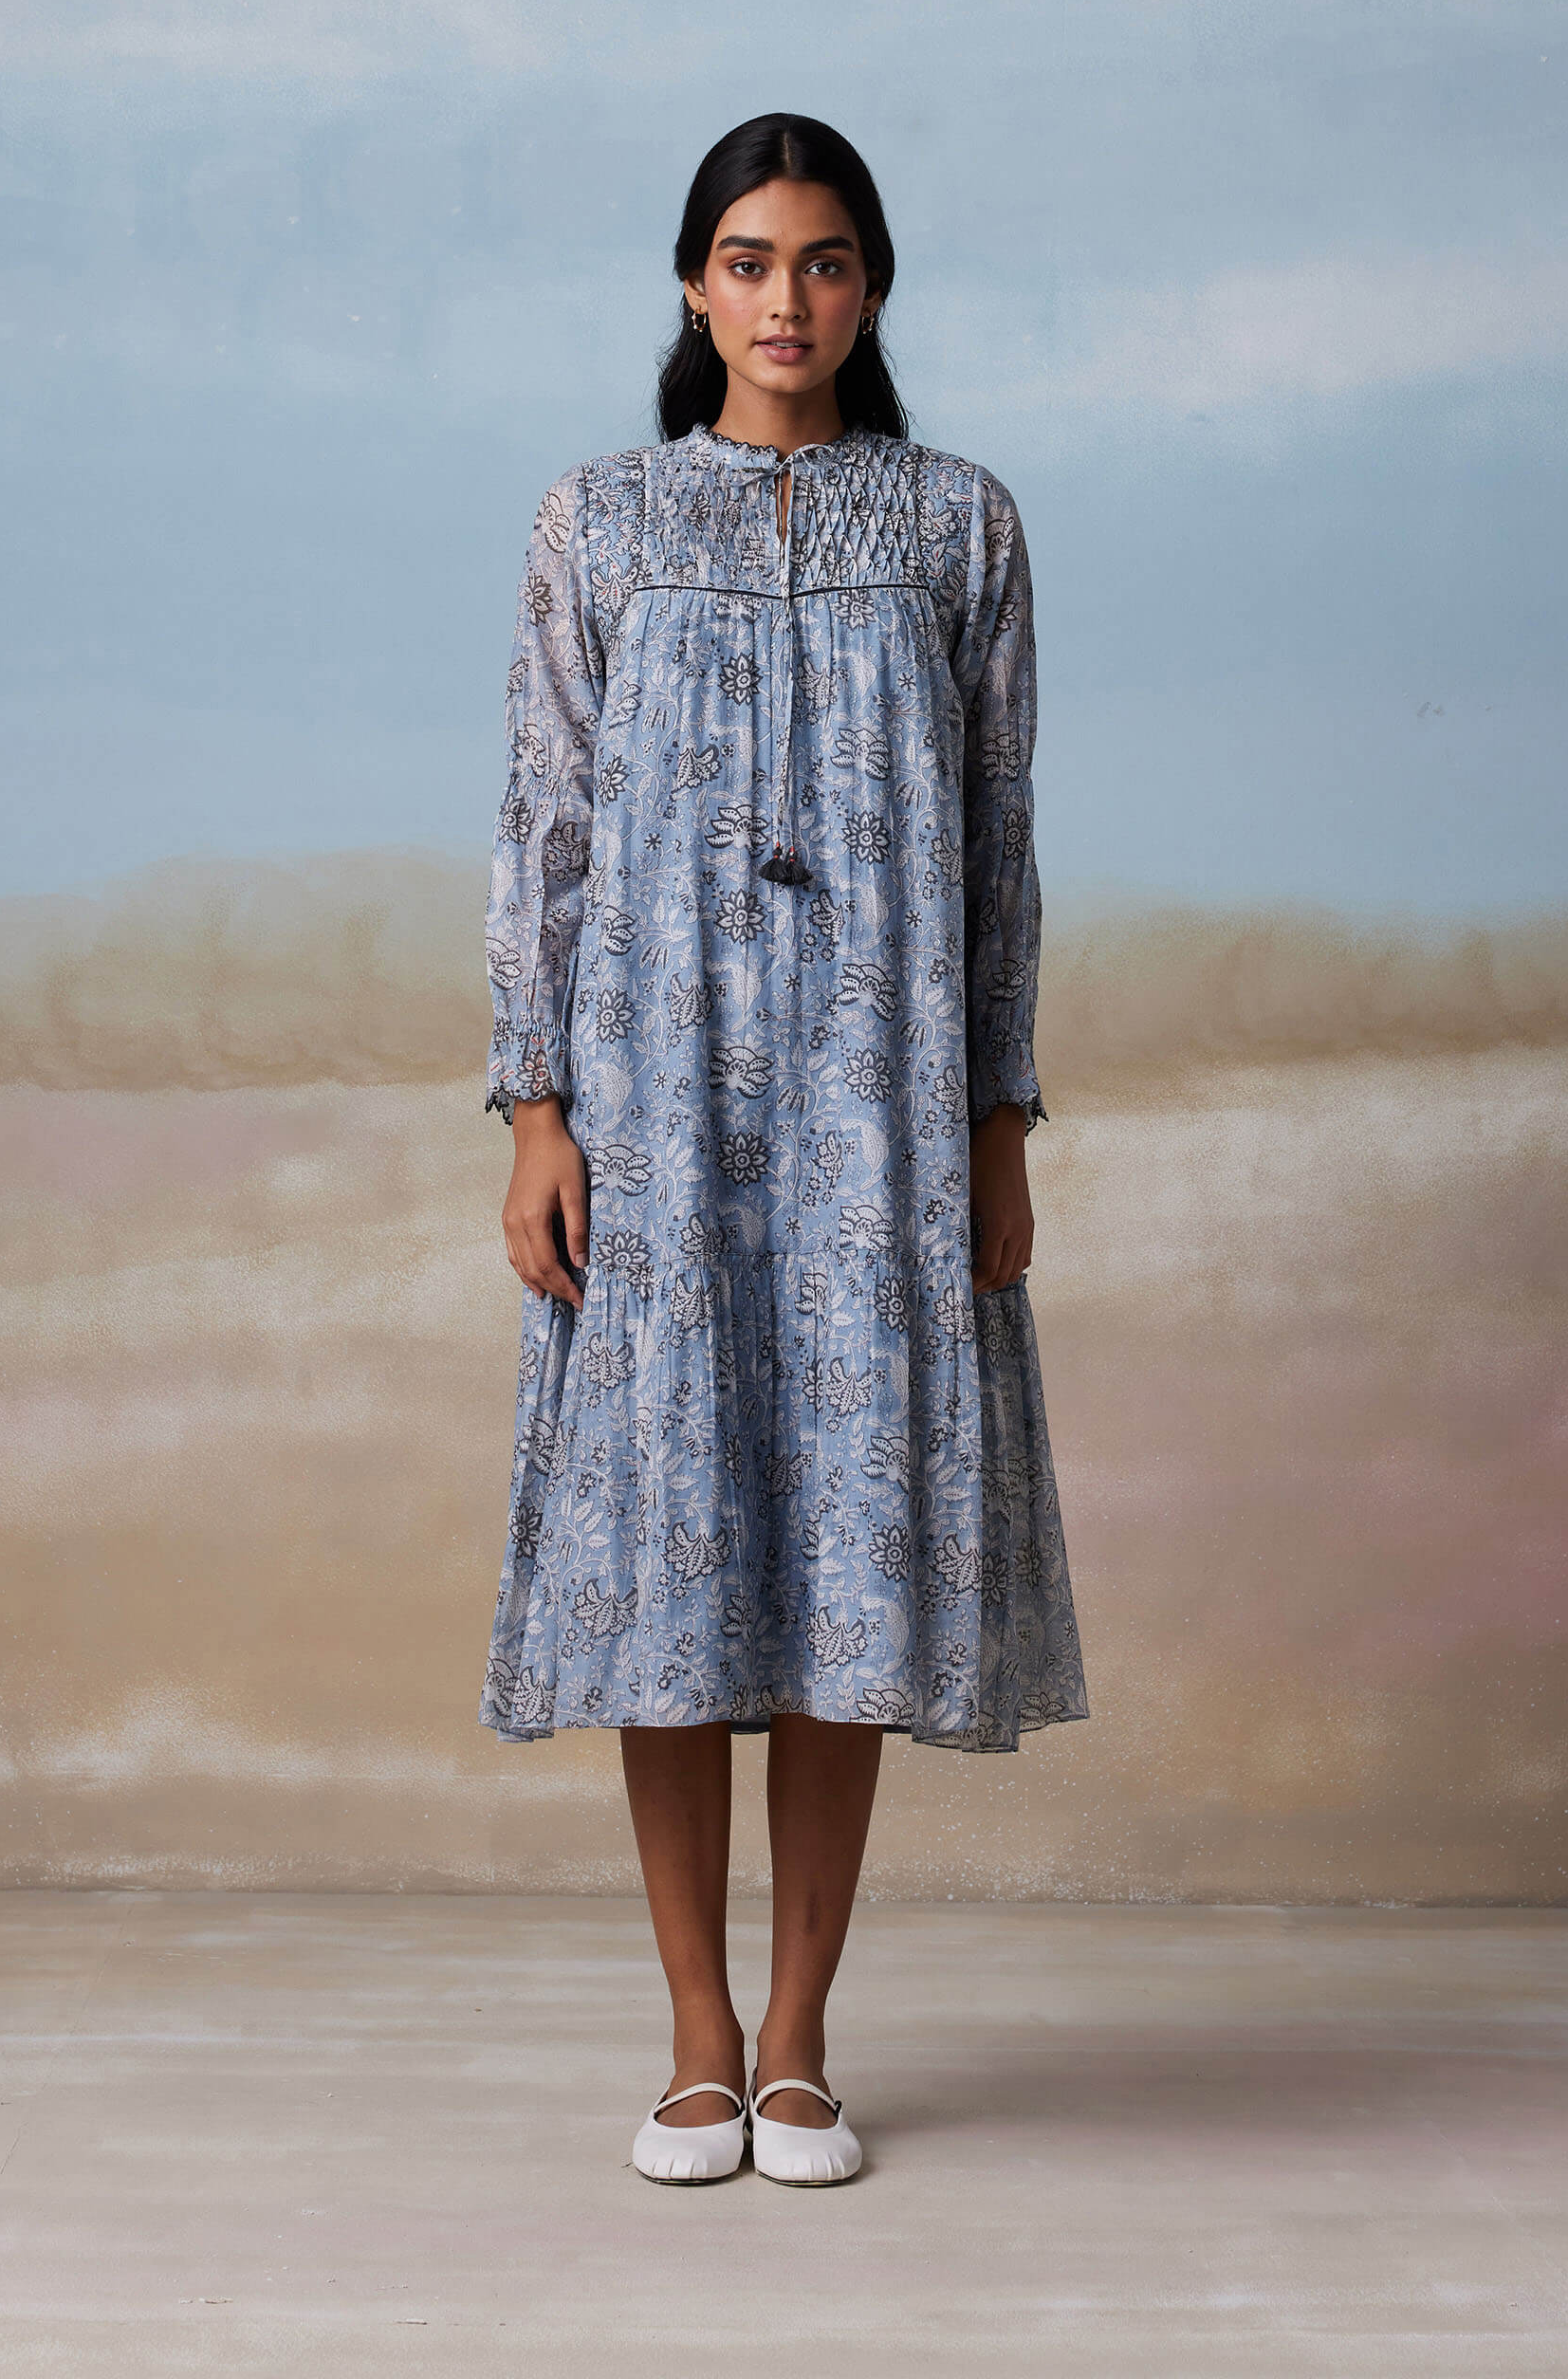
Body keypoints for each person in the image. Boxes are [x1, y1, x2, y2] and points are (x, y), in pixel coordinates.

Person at [479, 112, 1088, 2185]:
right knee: (673, 1563)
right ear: (691, 286)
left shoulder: (960, 527)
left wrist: (1000, 1120)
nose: (787, 301)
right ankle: (690, 2038)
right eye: (748, 262)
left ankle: (806, 2042)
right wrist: (538, 1109)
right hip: (655, 1105)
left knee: (841, 1556)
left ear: (873, 287)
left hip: (881, 1108)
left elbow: (1002, 848)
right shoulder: (602, 520)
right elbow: (546, 828)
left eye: (824, 264)